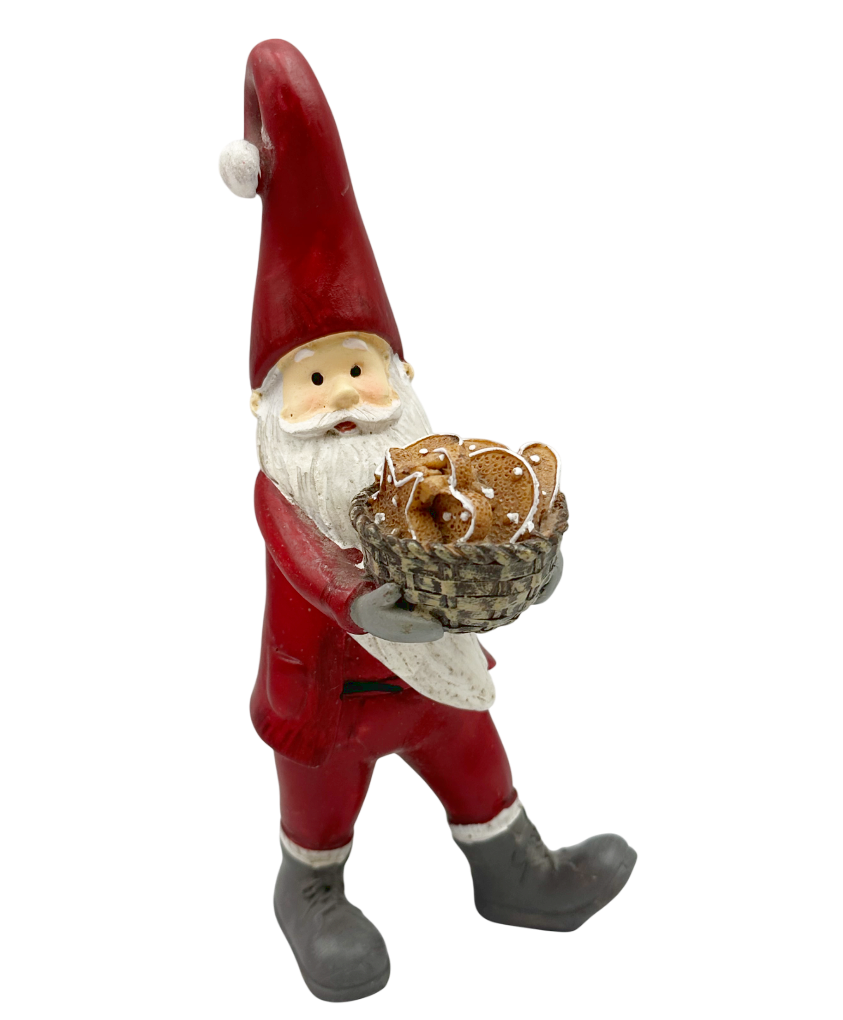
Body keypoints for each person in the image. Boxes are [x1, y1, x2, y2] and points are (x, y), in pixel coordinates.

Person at [220, 38, 636, 1003]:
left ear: (401, 380)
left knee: (477, 761)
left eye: (357, 370)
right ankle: (310, 894)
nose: (342, 396)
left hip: (436, 674)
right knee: (320, 807)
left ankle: (514, 870)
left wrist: (524, 557)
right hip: (328, 699)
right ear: (269, 406)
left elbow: (481, 523)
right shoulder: (281, 488)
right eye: (314, 380)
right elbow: (306, 563)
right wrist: (361, 607)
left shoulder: (429, 466)